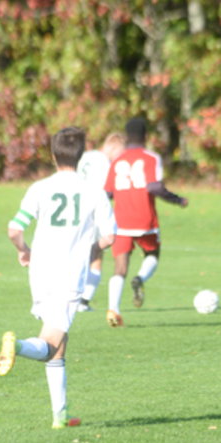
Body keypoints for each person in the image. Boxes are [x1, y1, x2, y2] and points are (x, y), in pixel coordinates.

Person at [0, 127, 116, 429]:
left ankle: (59, 415)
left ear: (53, 154)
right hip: (69, 275)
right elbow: (110, 237)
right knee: (50, 342)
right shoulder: (94, 192)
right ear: (81, 155)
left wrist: (24, 250)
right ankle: (17, 345)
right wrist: (91, 250)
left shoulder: (39, 188)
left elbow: (14, 229)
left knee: (60, 341)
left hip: (40, 273)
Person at [104, 116, 188, 327]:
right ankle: (140, 278)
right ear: (145, 136)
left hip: (121, 220)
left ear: (127, 136)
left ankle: (113, 309)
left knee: (120, 267)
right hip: (144, 219)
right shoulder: (151, 157)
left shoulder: (117, 161)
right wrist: (177, 199)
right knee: (152, 254)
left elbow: (108, 192)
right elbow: (154, 187)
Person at [76, 132, 125, 311]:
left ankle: (73, 297)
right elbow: (106, 190)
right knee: (96, 255)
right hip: (94, 211)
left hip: (75, 207)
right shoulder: (106, 163)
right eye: (120, 152)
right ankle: (82, 301)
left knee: (77, 252)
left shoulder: (86, 156)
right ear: (113, 146)